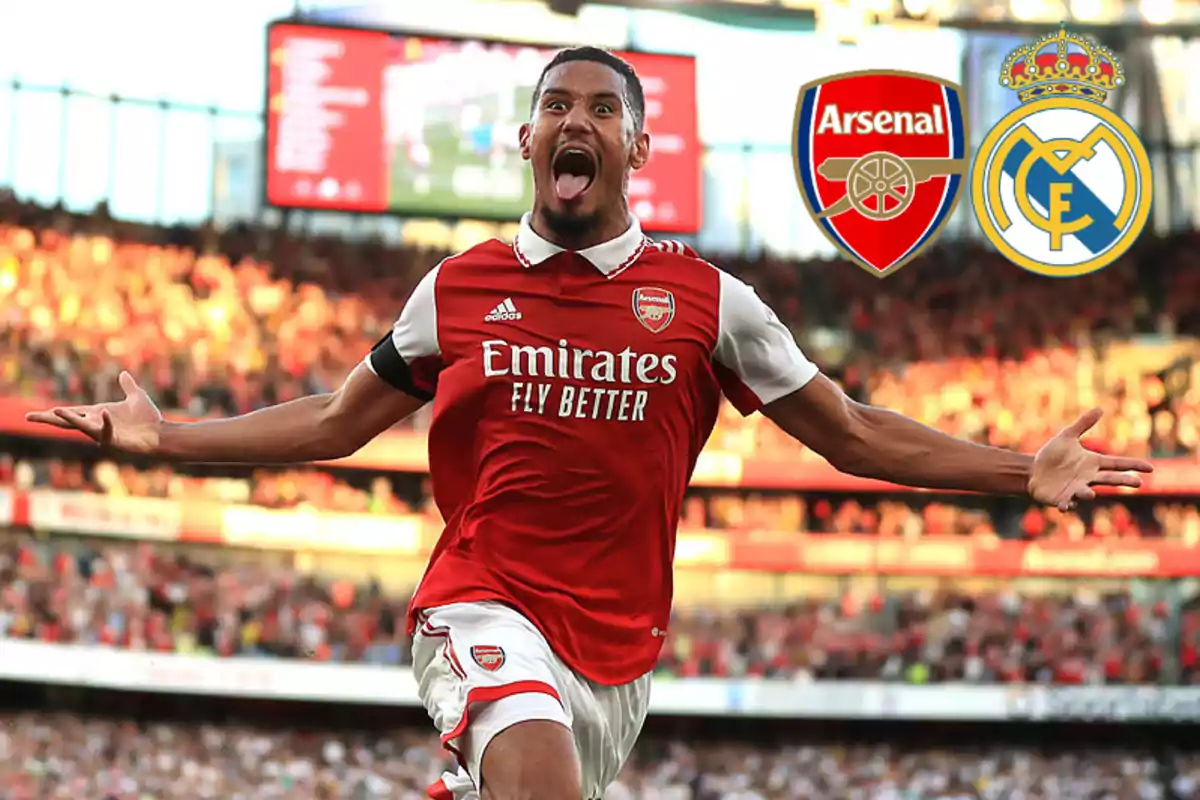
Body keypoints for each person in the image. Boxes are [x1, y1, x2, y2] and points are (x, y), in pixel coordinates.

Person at [27, 47, 1153, 800]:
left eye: (603, 109)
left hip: (619, 654)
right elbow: (332, 422)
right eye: (556, 108)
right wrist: (165, 440)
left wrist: (1019, 470)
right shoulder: (457, 288)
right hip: (480, 598)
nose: (578, 122)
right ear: (527, 146)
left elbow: (853, 434)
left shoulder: (713, 304)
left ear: (638, 149)